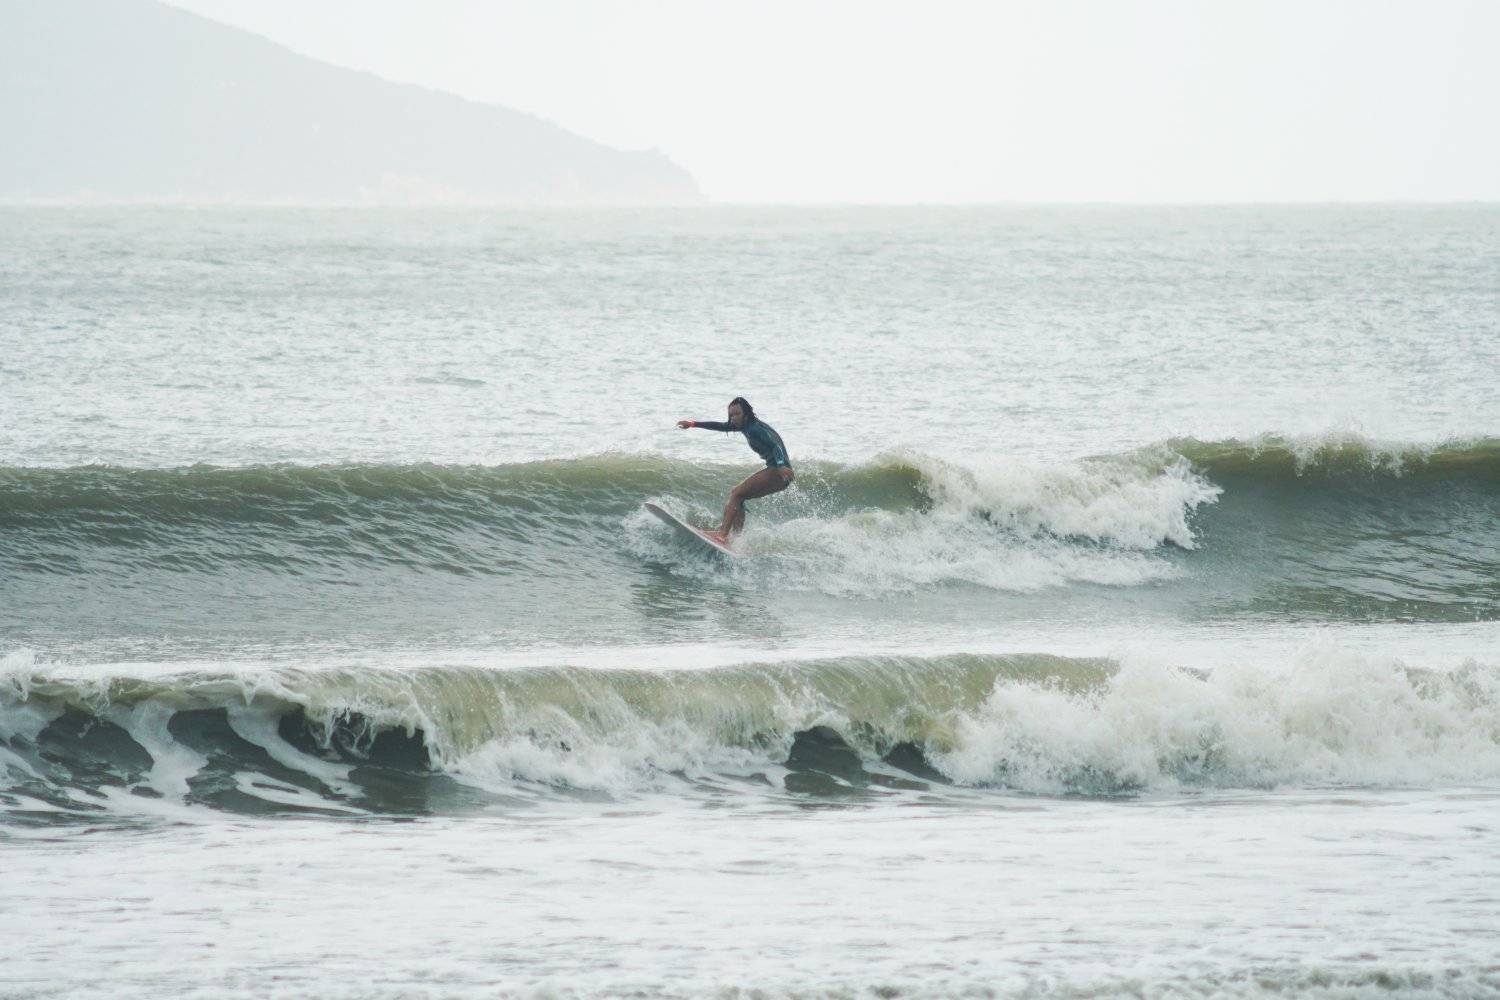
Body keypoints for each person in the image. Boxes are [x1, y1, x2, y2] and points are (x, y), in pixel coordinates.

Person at [677, 397, 793, 541]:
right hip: (778, 471)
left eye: (737, 414)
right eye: (731, 415)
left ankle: (722, 535)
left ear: (746, 414)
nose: (733, 418)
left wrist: (781, 465)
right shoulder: (743, 426)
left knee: (736, 494)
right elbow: (720, 426)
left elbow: (775, 445)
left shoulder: (755, 428)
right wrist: (693, 424)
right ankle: (736, 538)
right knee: (739, 497)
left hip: (779, 471)